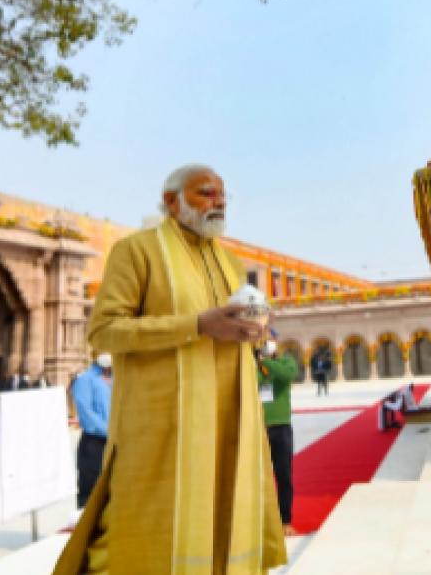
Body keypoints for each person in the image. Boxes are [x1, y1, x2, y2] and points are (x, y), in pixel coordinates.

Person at [54, 164, 286, 575]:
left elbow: (227, 327)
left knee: (223, 523)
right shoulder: (137, 251)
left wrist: (251, 329)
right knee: (142, 533)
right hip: (164, 427)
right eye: (207, 193)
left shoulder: (230, 263)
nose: (220, 201)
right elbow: (104, 331)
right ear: (170, 201)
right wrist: (197, 324)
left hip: (229, 419)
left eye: (223, 194)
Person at [256, 338, 298, 537]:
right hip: (258, 429)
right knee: (257, 478)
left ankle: (285, 520)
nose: (264, 343)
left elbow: (288, 375)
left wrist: (266, 361)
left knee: (284, 476)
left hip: (280, 428)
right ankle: (260, 522)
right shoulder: (251, 367)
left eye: (268, 339)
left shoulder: (285, 362)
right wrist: (257, 363)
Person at [72, 354, 113, 510]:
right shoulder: (85, 380)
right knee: (91, 488)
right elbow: (86, 413)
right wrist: (108, 430)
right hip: (94, 442)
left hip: (114, 440)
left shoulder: (115, 379)